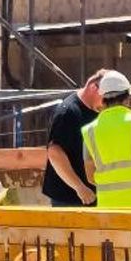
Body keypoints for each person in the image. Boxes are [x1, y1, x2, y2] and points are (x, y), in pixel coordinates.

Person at [81, 70, 131, 208]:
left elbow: (90, 176)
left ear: (103, 99)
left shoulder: (89, 131)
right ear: (127, 97)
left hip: (109, 207)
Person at [42, 69, 106, 207]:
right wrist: (80, 188)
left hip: (92, 195)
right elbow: (55, 152)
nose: (107, 102)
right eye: (106, 97)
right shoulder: (68, 112)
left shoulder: (96, 112)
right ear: (94, 87)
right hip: (70, 198)